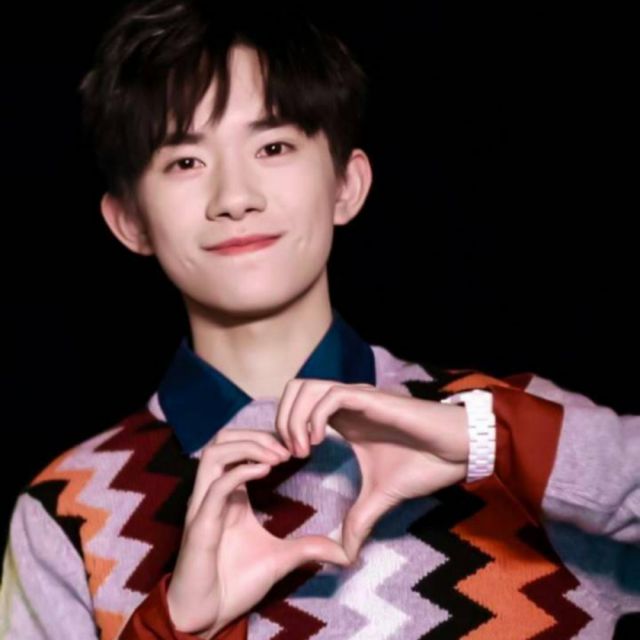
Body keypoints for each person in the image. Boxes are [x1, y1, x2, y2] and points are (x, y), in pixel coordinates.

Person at [1, 1, 638, 638]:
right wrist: (175, 627)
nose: (235, 198)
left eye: (274, 146)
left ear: (346, 185)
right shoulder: (69, 510)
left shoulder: (506, 422)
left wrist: (491, 440)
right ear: (129, 221)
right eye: (186, 162)